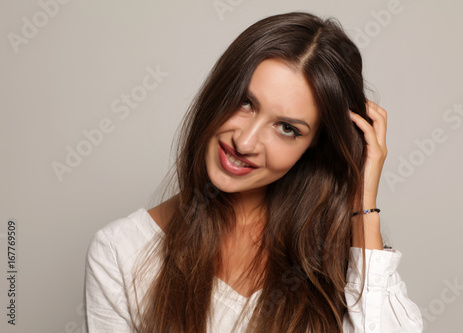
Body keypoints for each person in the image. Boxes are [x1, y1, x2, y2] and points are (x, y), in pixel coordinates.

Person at [83, 12, 423, 332]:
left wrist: (362, 199)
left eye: (287, 128)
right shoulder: (120, 251)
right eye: (245, 102)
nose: (244, 142)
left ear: (315, 147)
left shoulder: (339, 255)